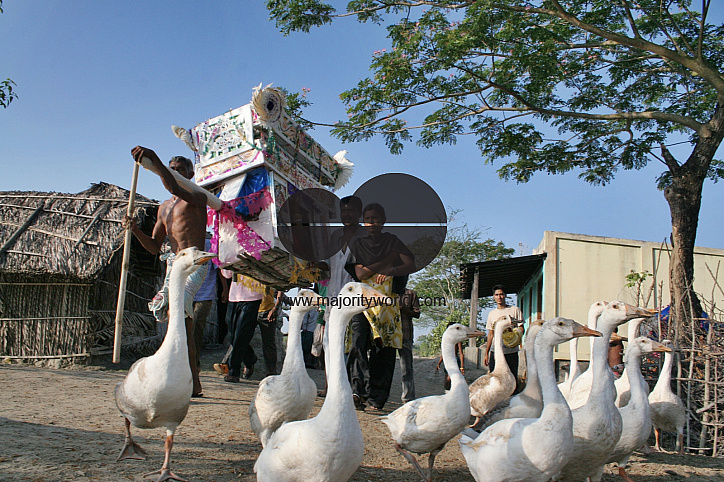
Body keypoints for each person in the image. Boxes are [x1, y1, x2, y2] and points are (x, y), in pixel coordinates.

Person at [125, 147, 208, 397]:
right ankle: (193, 383)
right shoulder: (163, 208)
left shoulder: (197, 196)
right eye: (172, 170)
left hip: (193, 263)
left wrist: (154, 160)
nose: (175, 174)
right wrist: (135, 230)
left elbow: (174, 187)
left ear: (190, 174)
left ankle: (181, 378)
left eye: (180, 170)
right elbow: (153, 247)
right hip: (172, 264)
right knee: (181, 322)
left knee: (178, 314)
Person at [346, 202, 415, 410]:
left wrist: (392, 265)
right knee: (357, 342)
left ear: (383, 221)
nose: (371, 223)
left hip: (387, 304)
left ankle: (377, 397)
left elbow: (409, 264)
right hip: (362, 303)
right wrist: (388, 261)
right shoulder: (358, 245)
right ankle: (357, 392)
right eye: (367, 219)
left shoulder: (393, 240)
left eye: (376, 219)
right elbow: (359, 274)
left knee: (383, 350)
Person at [190, 236, 217, 391]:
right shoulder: (187, 245)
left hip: (206, 295)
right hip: (189, 293)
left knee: (195, 329)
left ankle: (195, 365)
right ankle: (192, 365)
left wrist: (224, 290)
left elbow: (218, 268)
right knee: (189, 330)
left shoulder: (211, 244)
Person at [483, 285, 524, 383]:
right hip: (496, 352)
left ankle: (512, 397)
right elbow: (490, 334)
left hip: (511, 352)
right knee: (495, 379)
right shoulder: (492, 314)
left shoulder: (514, 310)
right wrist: (486, 353)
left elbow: (521, 328)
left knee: (512, 378)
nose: (499, 297)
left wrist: (515, 338)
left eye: (501, 294)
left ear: (505, 295)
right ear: (493, 297)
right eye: (496, 295)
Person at [398, 288, 420, 402]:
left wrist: (404, 309)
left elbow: (417, 313)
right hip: (388, 334)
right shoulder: (385, 291)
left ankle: (408, 397)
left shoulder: (411, 294)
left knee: (406, 368)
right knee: (384, 367)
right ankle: (379, 399)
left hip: (405, 335)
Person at [435, 321, 465, 391]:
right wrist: (439, 363)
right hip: (447, 359)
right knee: (447, 379)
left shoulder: (458, 340)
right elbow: (444, 353)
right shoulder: (447, 340)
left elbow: (461, 353)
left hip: (455, 359)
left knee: (451, 378)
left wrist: (462, 366)